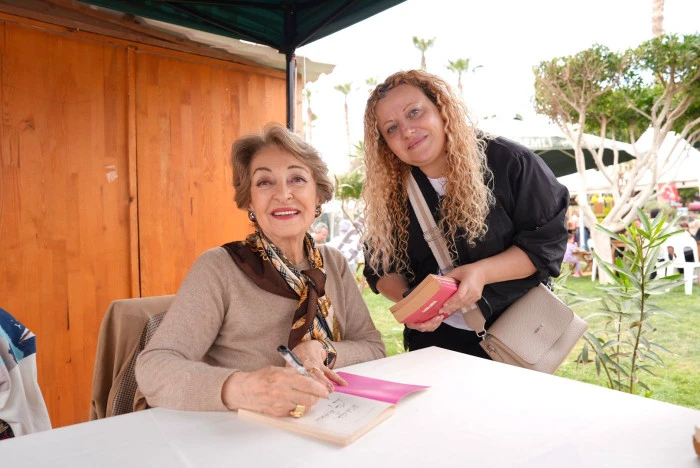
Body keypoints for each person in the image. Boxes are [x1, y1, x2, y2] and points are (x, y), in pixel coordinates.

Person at [136, 123, 385, 417]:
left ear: (317, 196)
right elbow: (154, 368)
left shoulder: (334, 262)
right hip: (242, 429)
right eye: (265, 182)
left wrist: (323, 350)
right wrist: (243, 389)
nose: (283, 194)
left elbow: (373, 348)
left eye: (297, 179)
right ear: (249, 201)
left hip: (332, 418)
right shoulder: (219, 267)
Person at [361, 70, 569, 357]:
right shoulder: (391, 190)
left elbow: (545, 243)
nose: (407, 131)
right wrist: (413, 302)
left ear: (441, 109)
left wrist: (481, 273)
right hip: (436, 345)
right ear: (385, 144)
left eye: (414, 112)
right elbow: (380, 267)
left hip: (515, 336)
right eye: (391, 128)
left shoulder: (510, 162)